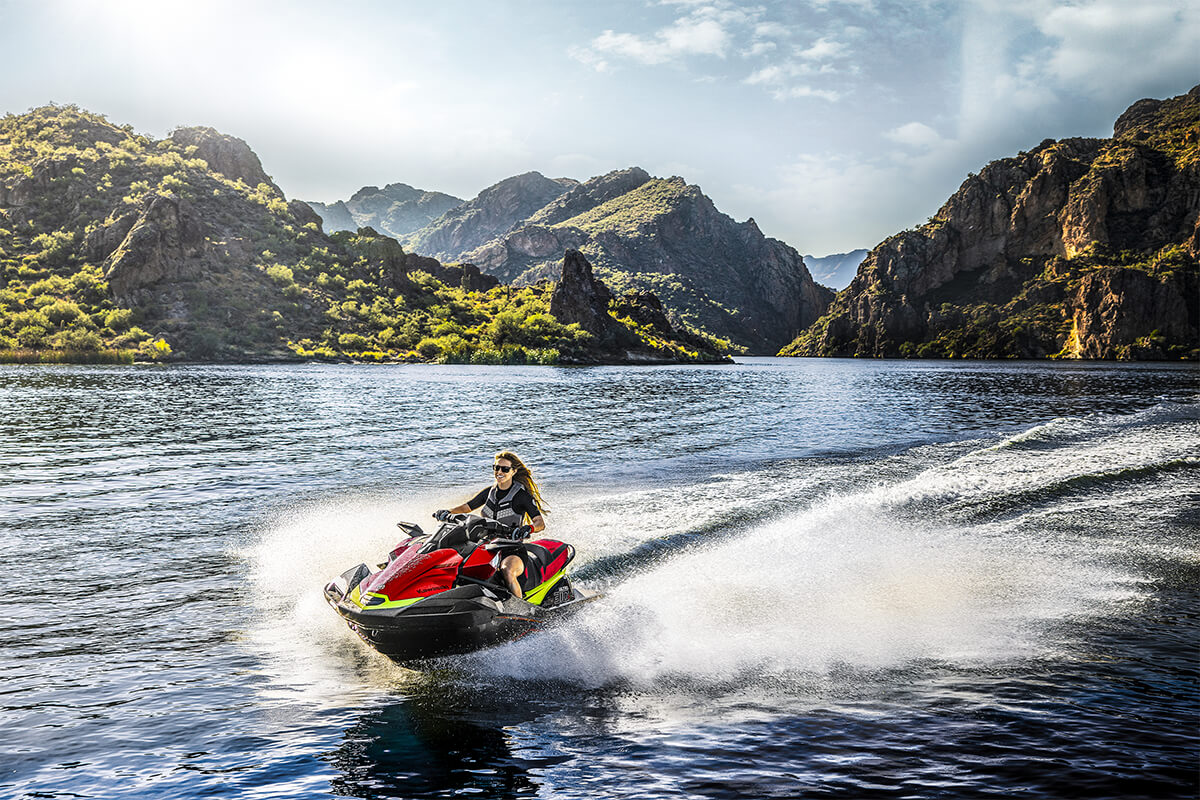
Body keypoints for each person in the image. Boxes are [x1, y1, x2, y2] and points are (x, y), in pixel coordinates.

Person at [434, 450, 547, 600]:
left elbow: (540, 522)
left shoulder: (522, 496)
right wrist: (447, 512)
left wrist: (529, 528)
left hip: (511, 548)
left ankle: (520, 610)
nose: (499, 472)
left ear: (513, 471)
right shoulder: (489, 492)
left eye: (505, 469)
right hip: (486, 547)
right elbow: (466, 508)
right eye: (496, 468)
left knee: (507, 570)